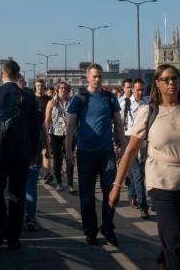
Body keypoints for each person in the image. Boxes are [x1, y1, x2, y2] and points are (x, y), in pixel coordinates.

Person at [110, 64, 180, 270]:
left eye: (175, 78)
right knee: (177, 244)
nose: (171, 83)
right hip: (161, 183)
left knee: (174, 234)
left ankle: (164, 260)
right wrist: (116, 186)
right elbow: (130, 152)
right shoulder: (148, 112)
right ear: (157, 84)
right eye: (166, 79)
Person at [0, 60, 41, 250]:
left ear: (1, 75)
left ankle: (0, 230)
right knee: (17, 194)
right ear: (19, 75)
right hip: (21, 154)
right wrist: (33, 152)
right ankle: (13, 238)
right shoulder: (29, 97)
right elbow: (35, 129)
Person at [65, 63, 127, 245]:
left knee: (111, 193)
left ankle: (107, 226)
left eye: (99, 76)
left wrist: (124, 149)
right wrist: (69, 151)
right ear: (87, 78)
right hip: (85, 153)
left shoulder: (110, 98)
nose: (97, 79)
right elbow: (70, 126)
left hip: (106, 153)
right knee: (87, 195)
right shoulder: (80, 98)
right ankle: (90, 230)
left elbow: (119, 124)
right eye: (94, 76)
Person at [121, 77, 150, 218]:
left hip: (144, 142)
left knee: (138, 174)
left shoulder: (147, 104)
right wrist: (118, 143)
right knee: (137, 173)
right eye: (137, 90)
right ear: (132, 89)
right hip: (129, 140)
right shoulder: (125, 103)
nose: (140, 92)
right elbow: (118, 123)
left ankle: (132, 194)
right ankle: (144, 207)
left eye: (142, 90)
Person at [24, 77, 50, 230]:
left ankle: (20, 214)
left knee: (19, 186)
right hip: (35, 153)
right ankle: (30, 217)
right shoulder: (38, 114)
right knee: (31, 186)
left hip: (21, 154)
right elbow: (45, 133)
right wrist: (47, 149)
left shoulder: (18, 114)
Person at [44, 81, 77, 194]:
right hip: (55, 134)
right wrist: (47, 135)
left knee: (70, 159)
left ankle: (70, 184)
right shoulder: (51, 103)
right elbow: (47, 120)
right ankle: (59, 183)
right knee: (57, 160)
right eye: (61, 88)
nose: (63, 90)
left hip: (69, 135)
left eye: (65, 88)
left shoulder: (71, 103)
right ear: (57, 90)